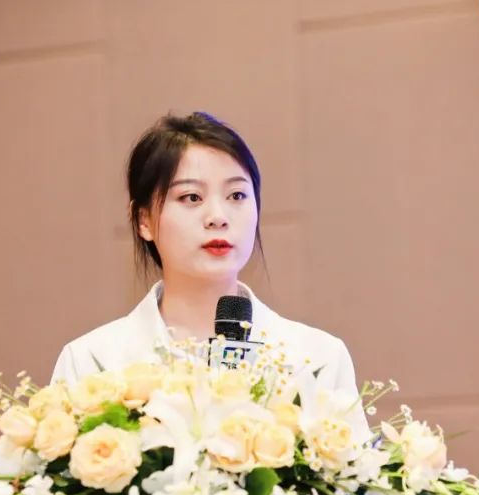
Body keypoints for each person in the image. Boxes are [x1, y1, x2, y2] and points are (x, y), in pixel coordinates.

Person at [50, 111, 370, 443]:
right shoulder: (93, 363)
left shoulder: (317, 358)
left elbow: (355, 474)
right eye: (191, 197)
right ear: (143, 220)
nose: (218, 217)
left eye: (237, 196)